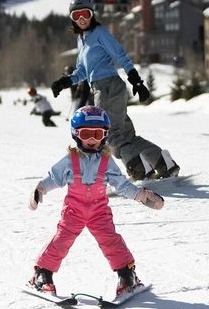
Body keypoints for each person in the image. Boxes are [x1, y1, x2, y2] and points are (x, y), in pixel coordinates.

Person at [27, 106, 164, 297]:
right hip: (74, 211)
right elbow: (54, 177)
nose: (92, 139)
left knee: (111, 241)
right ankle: (42, 274)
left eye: (97, 134)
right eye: (86, 133)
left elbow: (122, 185)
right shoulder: (70, 159)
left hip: (99, 211)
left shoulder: (107, 161)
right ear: (76, 134)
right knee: (61, 240)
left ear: (105, 135)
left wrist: (140, 195)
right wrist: (40, 189)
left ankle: (126, 274)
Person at [50, 0, 180, 181]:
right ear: (72, 18)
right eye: (77, 15)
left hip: (108, 87)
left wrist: (137, 81)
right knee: (126, 135)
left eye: (85, 14)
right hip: (101, 88)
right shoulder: (82, 39)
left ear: (92, 14)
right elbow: (83, 71)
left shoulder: (100, 32)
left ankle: (139, 169)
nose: (81, 19)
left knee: (108, 134)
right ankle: (162, 163)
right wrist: (64, 82)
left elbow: (120, 55)